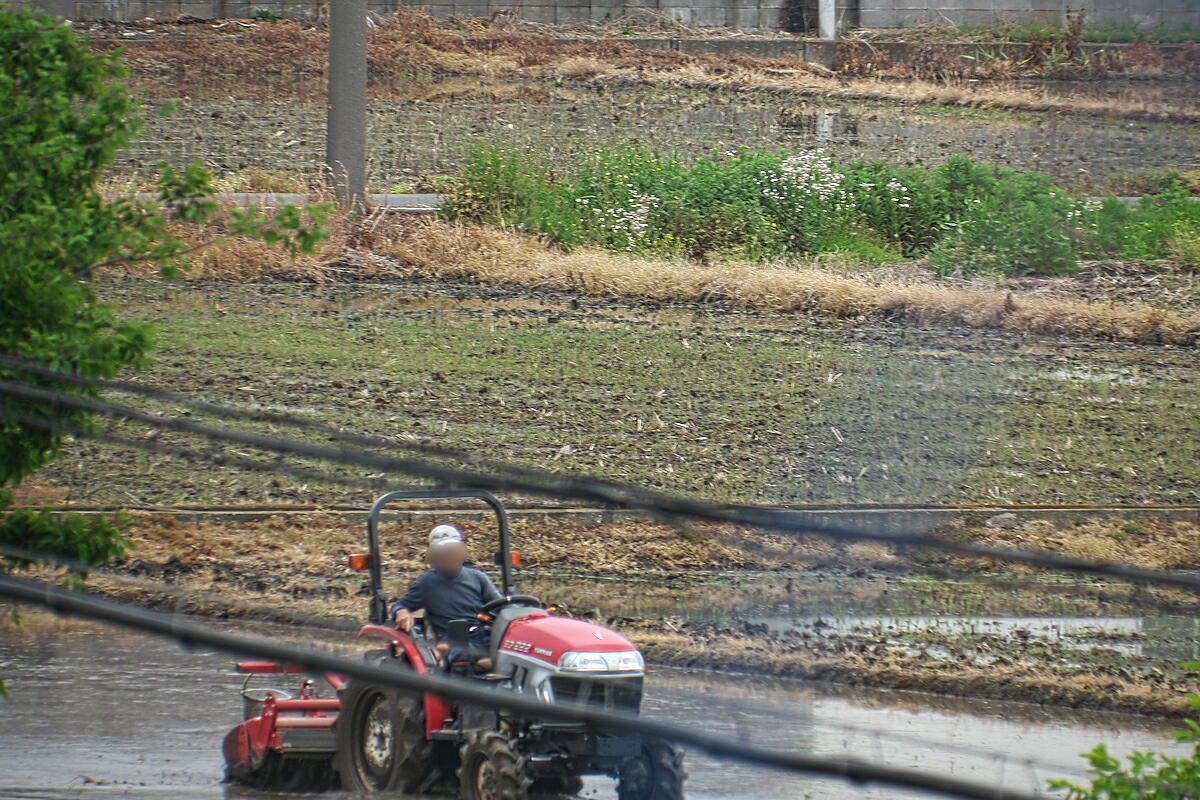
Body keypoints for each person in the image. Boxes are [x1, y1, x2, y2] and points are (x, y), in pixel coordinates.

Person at [391, 524, 502, 660]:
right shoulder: (426, 583)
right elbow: (401, 605)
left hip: (482, 633)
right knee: (460, 652)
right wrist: (401, 611)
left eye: (453, 551)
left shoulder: (478, 577)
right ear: (435, 556)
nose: (449, 556)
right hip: (452, 639)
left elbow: (500, 605)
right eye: (444, 552)